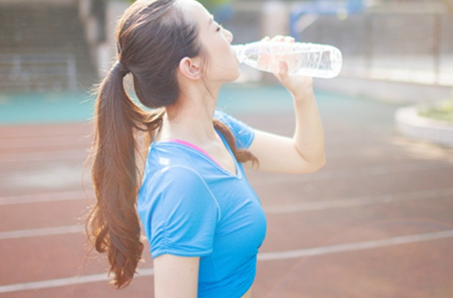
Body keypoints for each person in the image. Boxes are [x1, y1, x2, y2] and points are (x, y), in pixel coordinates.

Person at [85, 0, 325, 297]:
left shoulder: (218, 129)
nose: (230, 37)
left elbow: (306, 157)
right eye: (216, 28)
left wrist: (302, 93)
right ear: (192, 66)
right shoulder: (181, 181)